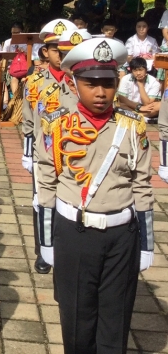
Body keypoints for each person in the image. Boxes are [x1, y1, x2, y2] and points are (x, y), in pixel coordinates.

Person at [36, 37, 154, 353]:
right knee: (76, 320)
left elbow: (142, 186)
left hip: (121, 235)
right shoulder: (57, 125)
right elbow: (45, 185)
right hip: (74, 233)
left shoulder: (132, 127)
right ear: (75, 84)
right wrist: (45, 240)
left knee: (115, 321)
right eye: (91, 83)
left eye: (108, 83)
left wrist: (146, 243)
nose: (100, 92)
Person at [20, 19, 81, 275]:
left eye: (66, 50)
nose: (62, 55)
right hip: (44, 153)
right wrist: (27, 152)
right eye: (57, 50)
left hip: (77, 153)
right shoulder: (35, 83)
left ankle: (71, 248)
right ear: (46, 51)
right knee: (43, 202)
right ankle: (44, 250)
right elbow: (27, 120)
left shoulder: (80, 81)